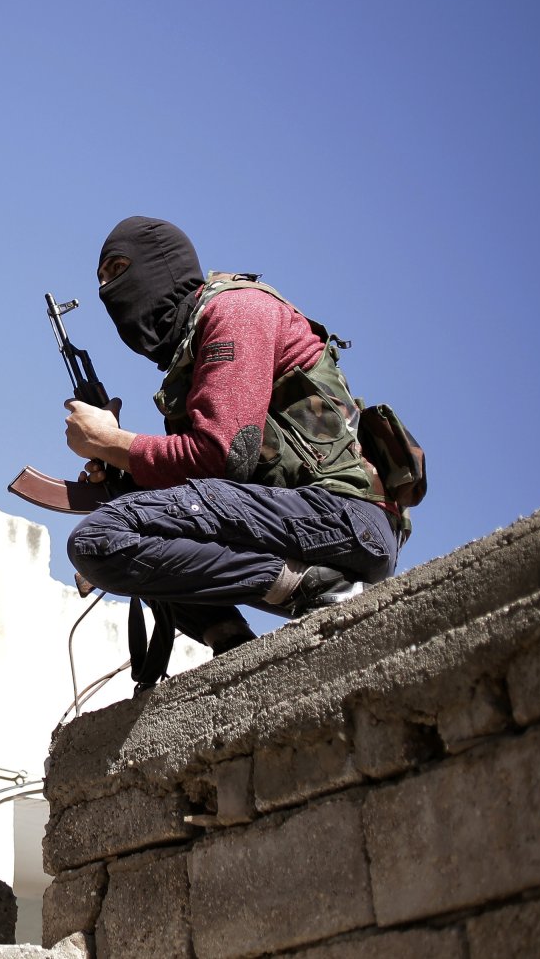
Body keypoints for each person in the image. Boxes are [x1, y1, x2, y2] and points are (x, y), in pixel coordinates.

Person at [62, 216, 403, 661]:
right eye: (103, 278)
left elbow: (223, 455)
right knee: (128, 531)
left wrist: (110, 441)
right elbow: (208, 488)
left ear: (164, 262)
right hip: (297, 520)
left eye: (119, 267)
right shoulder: (189, 356)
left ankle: (316, 586)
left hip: (345, 517)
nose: (110, 287)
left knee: (103, 535)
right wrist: (120, 474)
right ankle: (233, 647)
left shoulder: (237, 310)